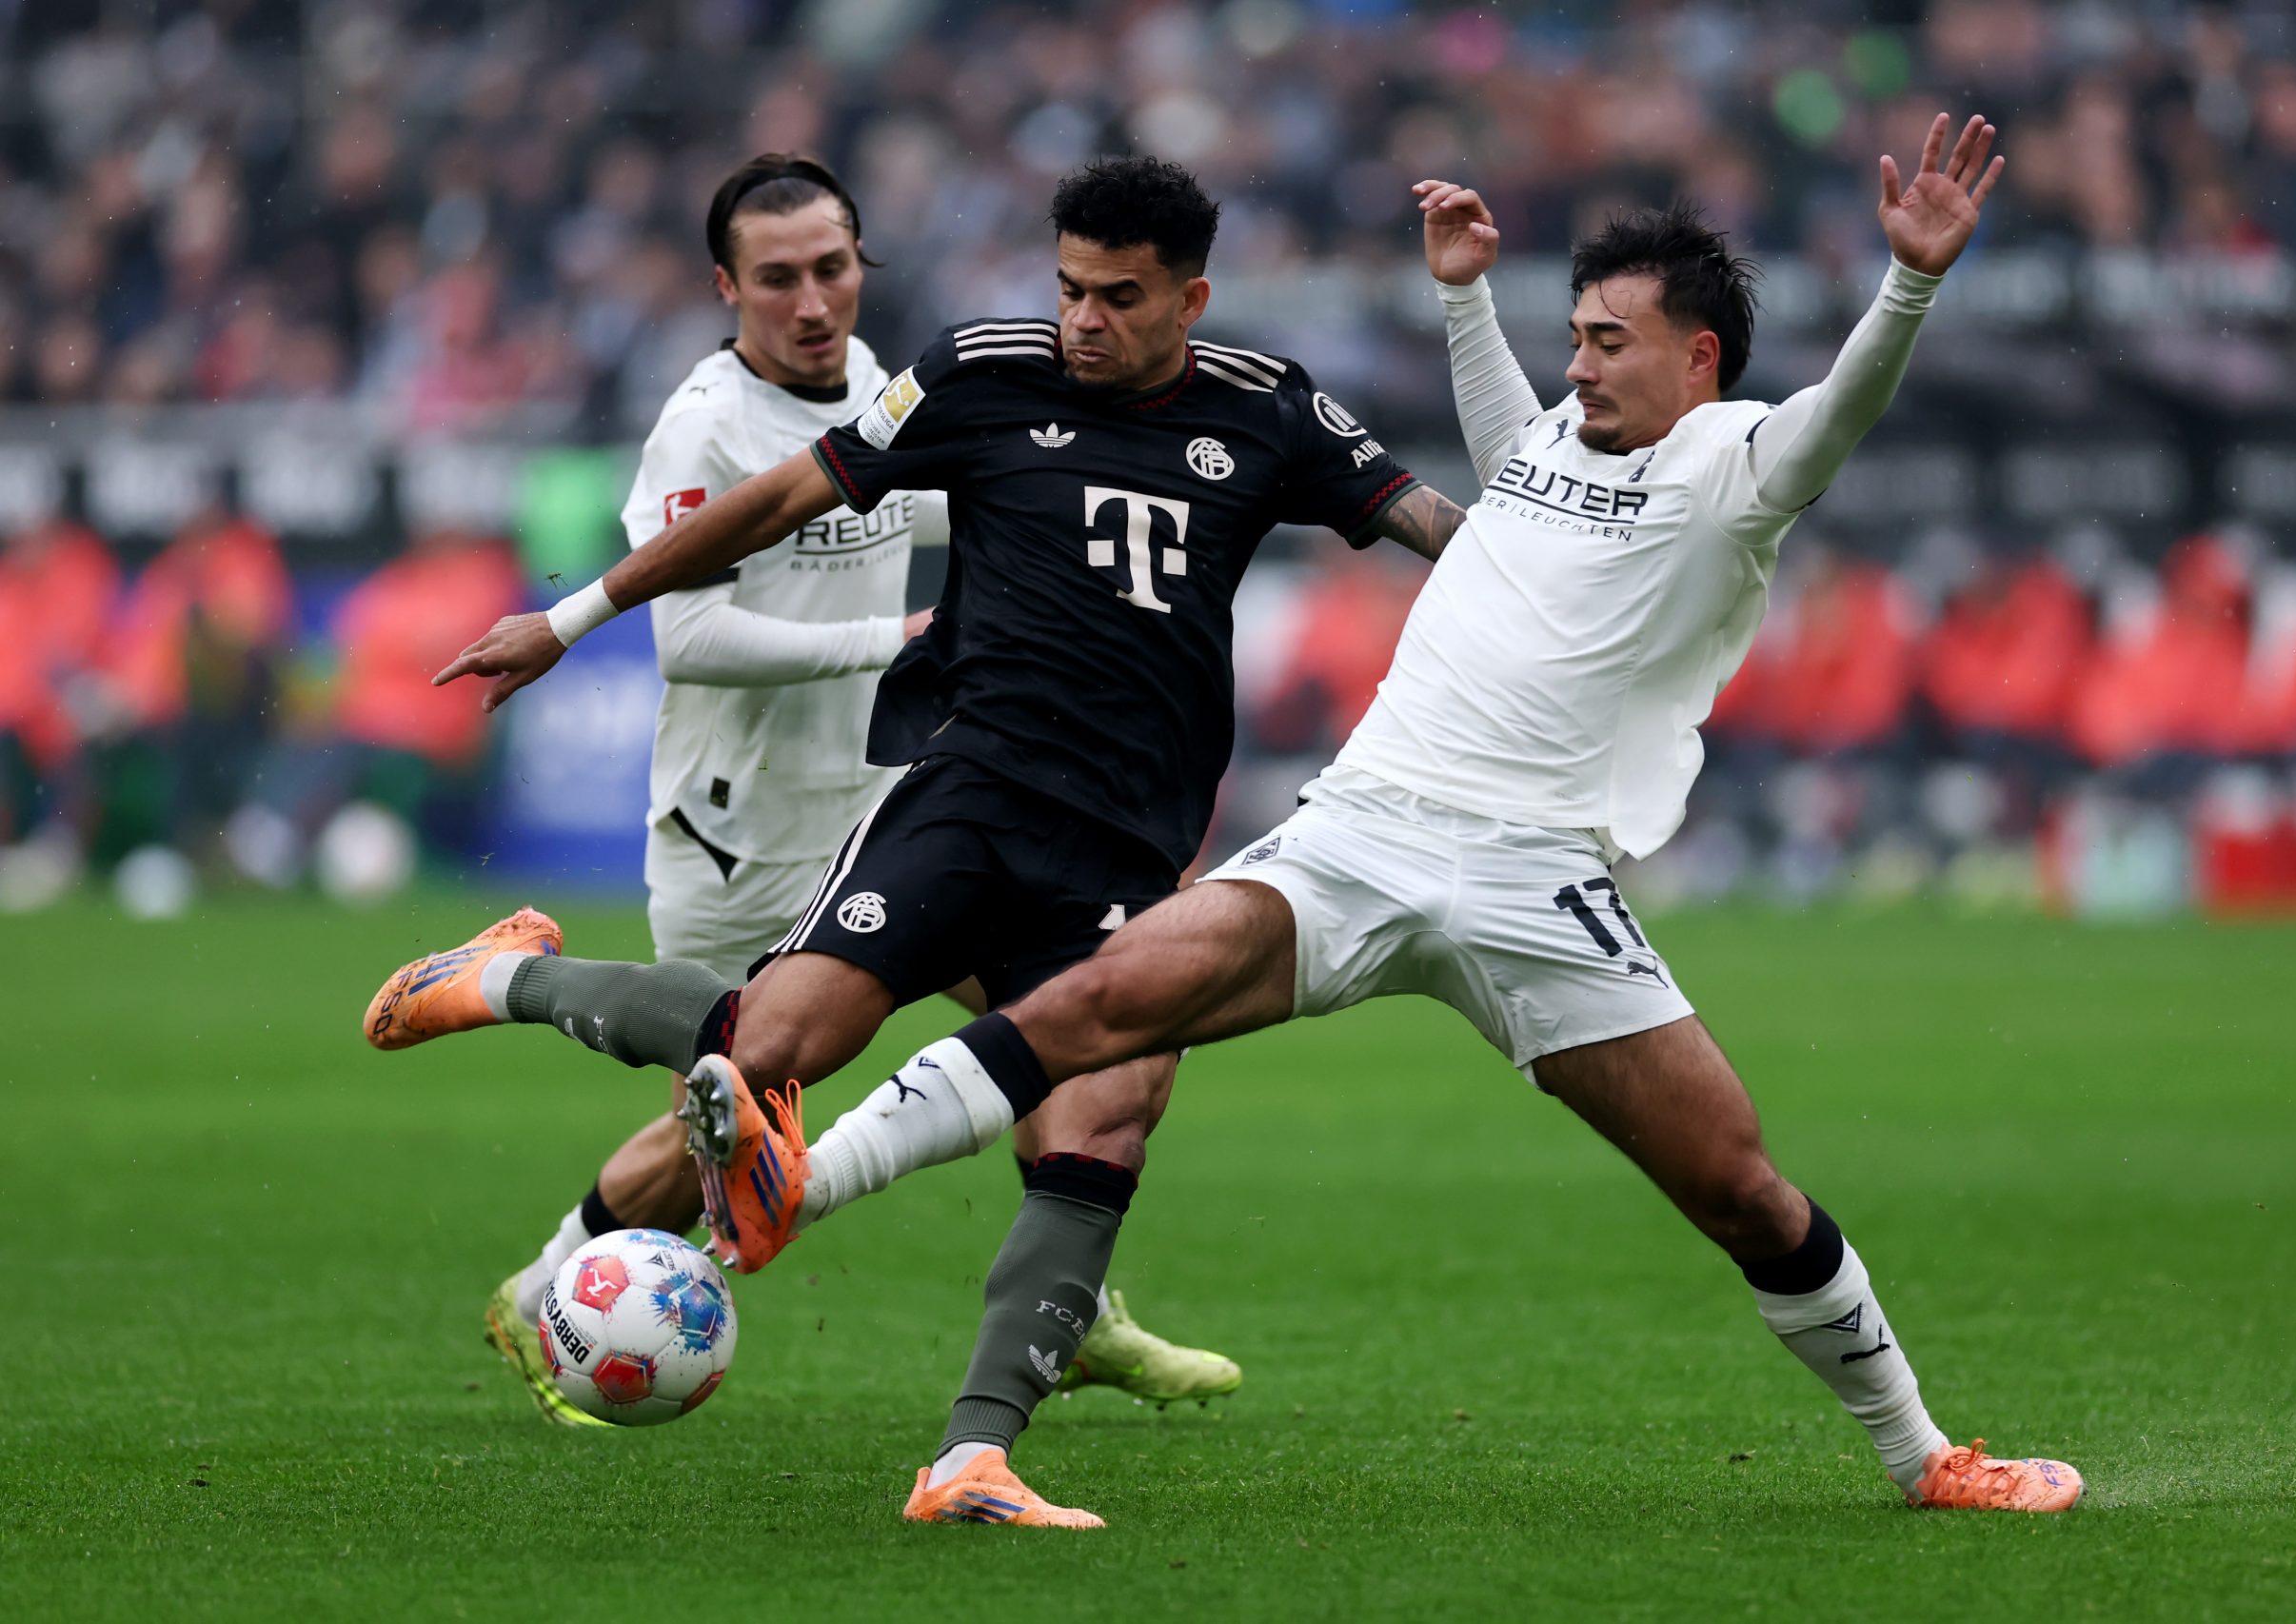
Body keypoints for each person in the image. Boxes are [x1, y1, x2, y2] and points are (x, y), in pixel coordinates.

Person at [765, 114, 2087, 1527]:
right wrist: (1463, 293)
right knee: (1098, 1007)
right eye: (1571, 333)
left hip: (1537, 885)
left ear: (1698, 358)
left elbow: (1842, 412)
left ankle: (1926, 1453)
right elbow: (1504, 442)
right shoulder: (1543, 454)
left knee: (1743, 1189)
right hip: (1366, 828)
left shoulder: (1738, 469)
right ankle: (810, 1195)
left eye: (1609, 340)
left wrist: (1910, 286)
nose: (1577, 363)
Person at [365, 157, 1469, 1512]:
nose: (1082, 321)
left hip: (1129, 852)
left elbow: (1441, 536)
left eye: (1118, 298)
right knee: (766, 1050)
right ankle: (509, 984)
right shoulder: (973, 372)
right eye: (1067, 288)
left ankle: (973, 1454)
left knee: (1105, 1120)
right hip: (955, 802)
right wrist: (567, 617)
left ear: (1192, 296)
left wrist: (1584, 597)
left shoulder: (1270, 408)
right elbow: (768, 506)